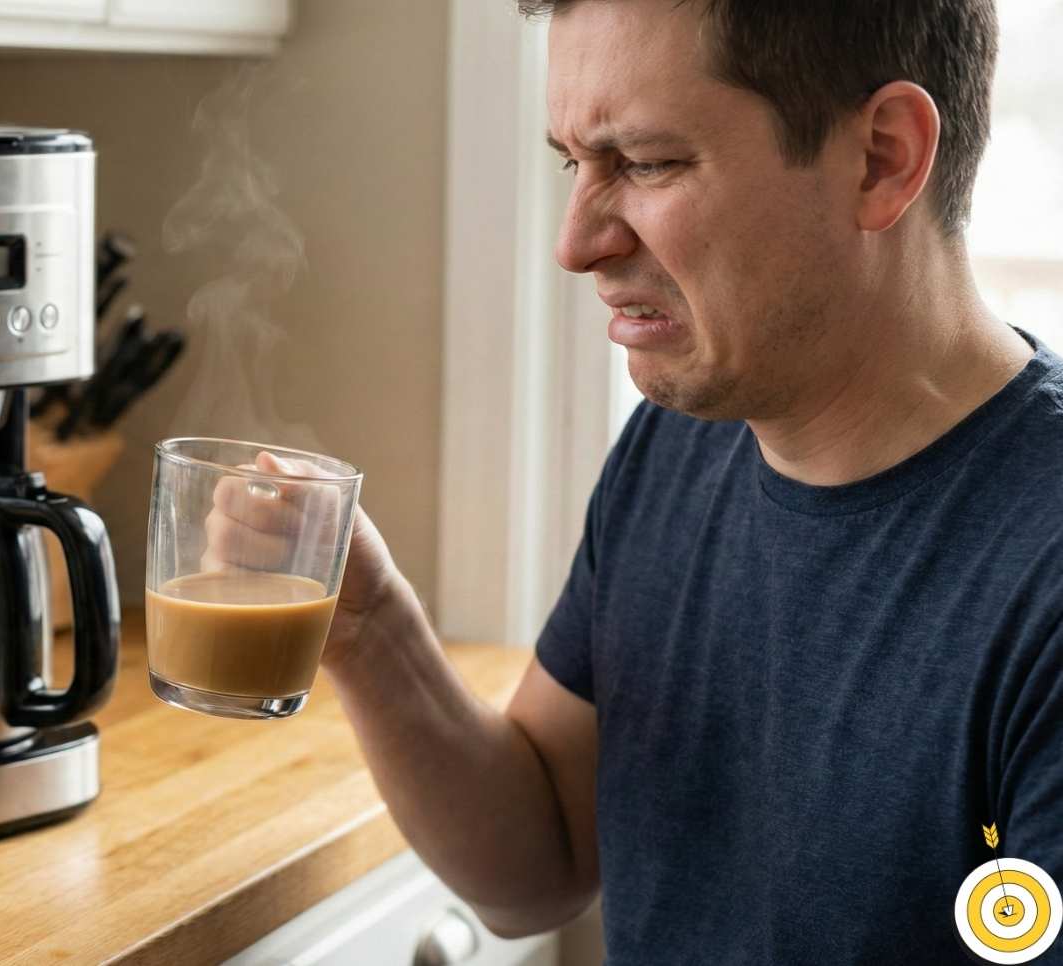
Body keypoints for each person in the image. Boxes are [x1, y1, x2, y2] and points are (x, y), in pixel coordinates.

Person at [210, 0, 1063, 961]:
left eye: (648, 164)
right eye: (572, 164)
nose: (576, 243)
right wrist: (371, 631)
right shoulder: (682, 441)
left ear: (882, 158)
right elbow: (540, 865)